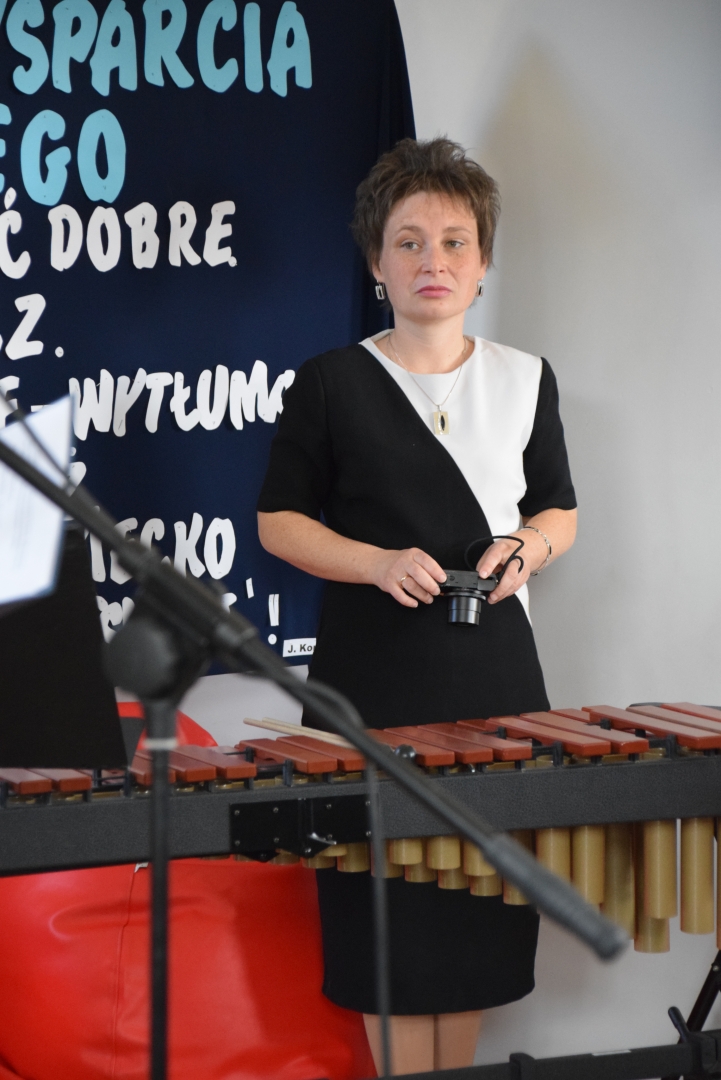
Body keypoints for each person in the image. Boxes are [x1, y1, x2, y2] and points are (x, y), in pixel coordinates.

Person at [257, 137, 577, 1075]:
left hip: (496, 682)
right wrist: (374, 562)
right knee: (386, 926)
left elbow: (559, 509)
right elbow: (278, 522)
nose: (431, 260)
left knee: (470, 914)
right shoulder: (328, 380)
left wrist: (526, 547)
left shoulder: (526, 378)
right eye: (407, 242)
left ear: (481, 263)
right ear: (376, 262)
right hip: (369, 687)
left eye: (453, 242)